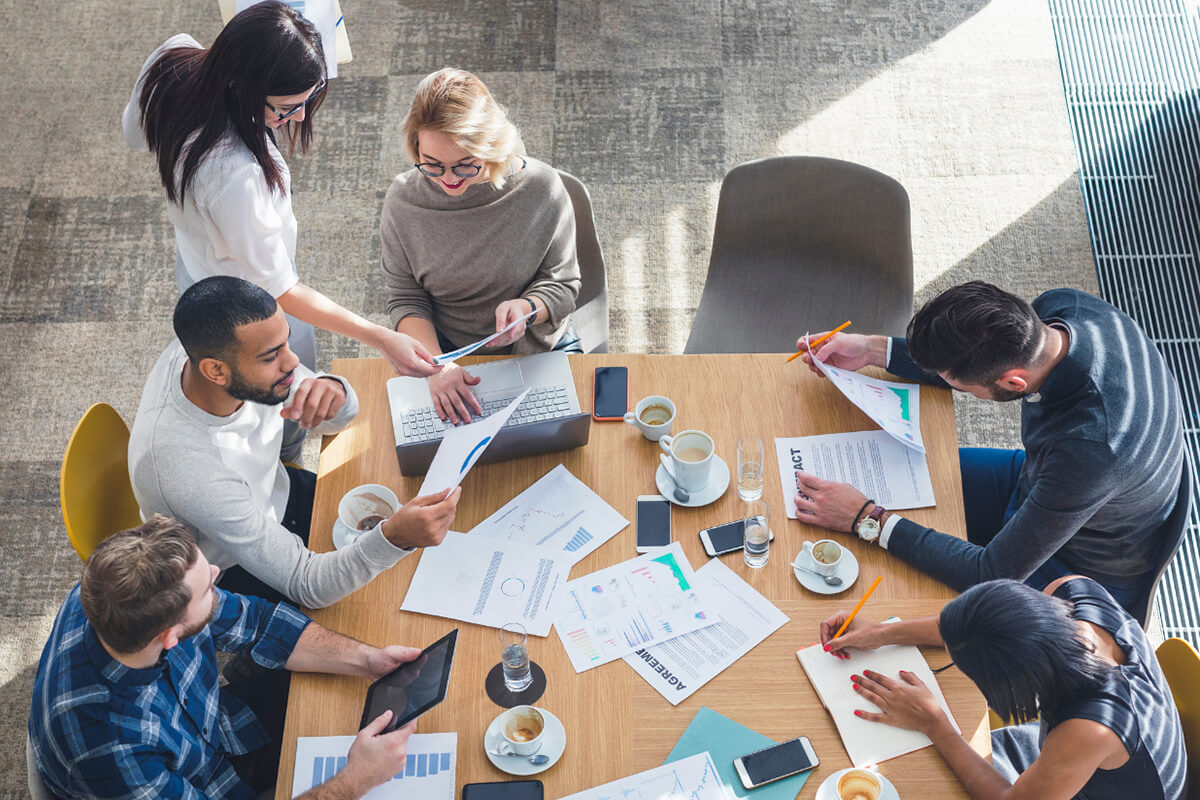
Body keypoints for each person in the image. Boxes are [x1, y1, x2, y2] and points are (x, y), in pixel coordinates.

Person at [122, 1, 437, 461]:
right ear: (241, 85)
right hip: (248, 299)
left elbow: (134, 132)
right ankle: (286, 459)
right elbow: (281, 289)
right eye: (286, 108)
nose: (299, 117)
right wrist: (383, 338)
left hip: (195, 260)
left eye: (308, 99)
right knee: (279, 387)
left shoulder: (175, 57)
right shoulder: (236, 178)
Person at [793, 282, 1184, 610]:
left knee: (907, 599)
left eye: (960, 385)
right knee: (895, 471)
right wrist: (875, 349)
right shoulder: (1063, 309)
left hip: (1077, 565)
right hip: (1041, 481)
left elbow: (992, 572)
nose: (954, 384)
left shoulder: (1092, 448)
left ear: (1015, 383)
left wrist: (867, 518)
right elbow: (976, 358)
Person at [29, 517, 425, 800]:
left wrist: (366, 659)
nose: (218, 571)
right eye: (206, 590)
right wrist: (354, 781)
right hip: (194, 783)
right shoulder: (111, 746)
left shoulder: (114, 594)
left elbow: (258, 622)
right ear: (169, 636)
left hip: (218, 730)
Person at [129, 276, 459, 608]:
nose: (292, 362)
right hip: (230, 566)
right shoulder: (186, 465)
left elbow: (336, 420)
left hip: (279, 492)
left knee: (424, 544)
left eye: (287, 342)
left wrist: (336, 391)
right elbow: (308, 585)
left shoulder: (224, 357)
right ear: (215, 371)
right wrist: (394, 539)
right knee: (387, 604)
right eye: (271, 356)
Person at [820, 577, 1186, 799]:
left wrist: (934, 722)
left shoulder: (1089, 728)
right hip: (1093, 758)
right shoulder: (1072, 592)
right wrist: (883, 633)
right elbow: (982, 628)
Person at [380, 68, 582, 425]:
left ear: (491, 147)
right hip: (443, 351)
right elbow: (405, 298)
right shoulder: (403, 202)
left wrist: (528, 308)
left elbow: (564, 285)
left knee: (566, 447)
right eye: (432, 165)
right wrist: (437, 365)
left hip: (537, 344)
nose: (450, 180)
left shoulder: (540, 189)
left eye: (465, 165)